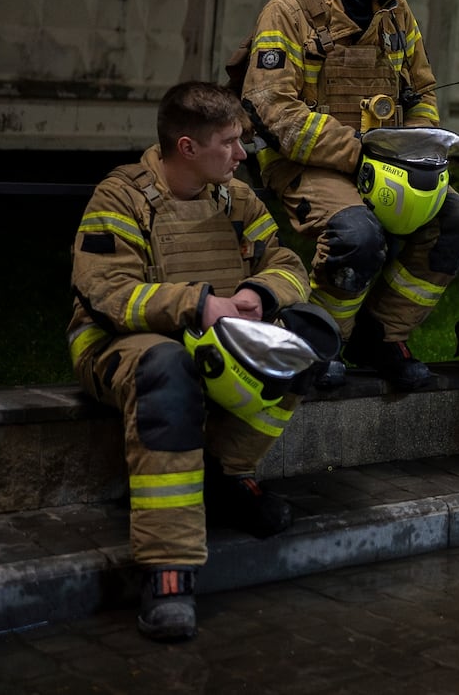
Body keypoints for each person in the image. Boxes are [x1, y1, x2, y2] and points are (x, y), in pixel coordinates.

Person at [67, 81, 338, 642]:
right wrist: (197, 303)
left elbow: (286, 260)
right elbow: (108, 293)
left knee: (310, 337)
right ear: (187, 147)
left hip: (211, 335)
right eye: (230, 142)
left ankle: (224, 478)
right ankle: (169, 570)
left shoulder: (234, 197)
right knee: (169, 368)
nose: (243, 154)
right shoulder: (120, 197)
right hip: (121, 343)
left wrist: (261, 294)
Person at [239, 0, 459, 391]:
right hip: (305, 162)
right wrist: (359, 154)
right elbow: (274, 111)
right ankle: (317, 341)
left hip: (389, 162)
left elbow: (422, 90)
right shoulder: (288, 12)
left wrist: (421, 153)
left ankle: (381, 337)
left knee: (457, 224)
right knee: (358, 234)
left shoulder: (396, 11)